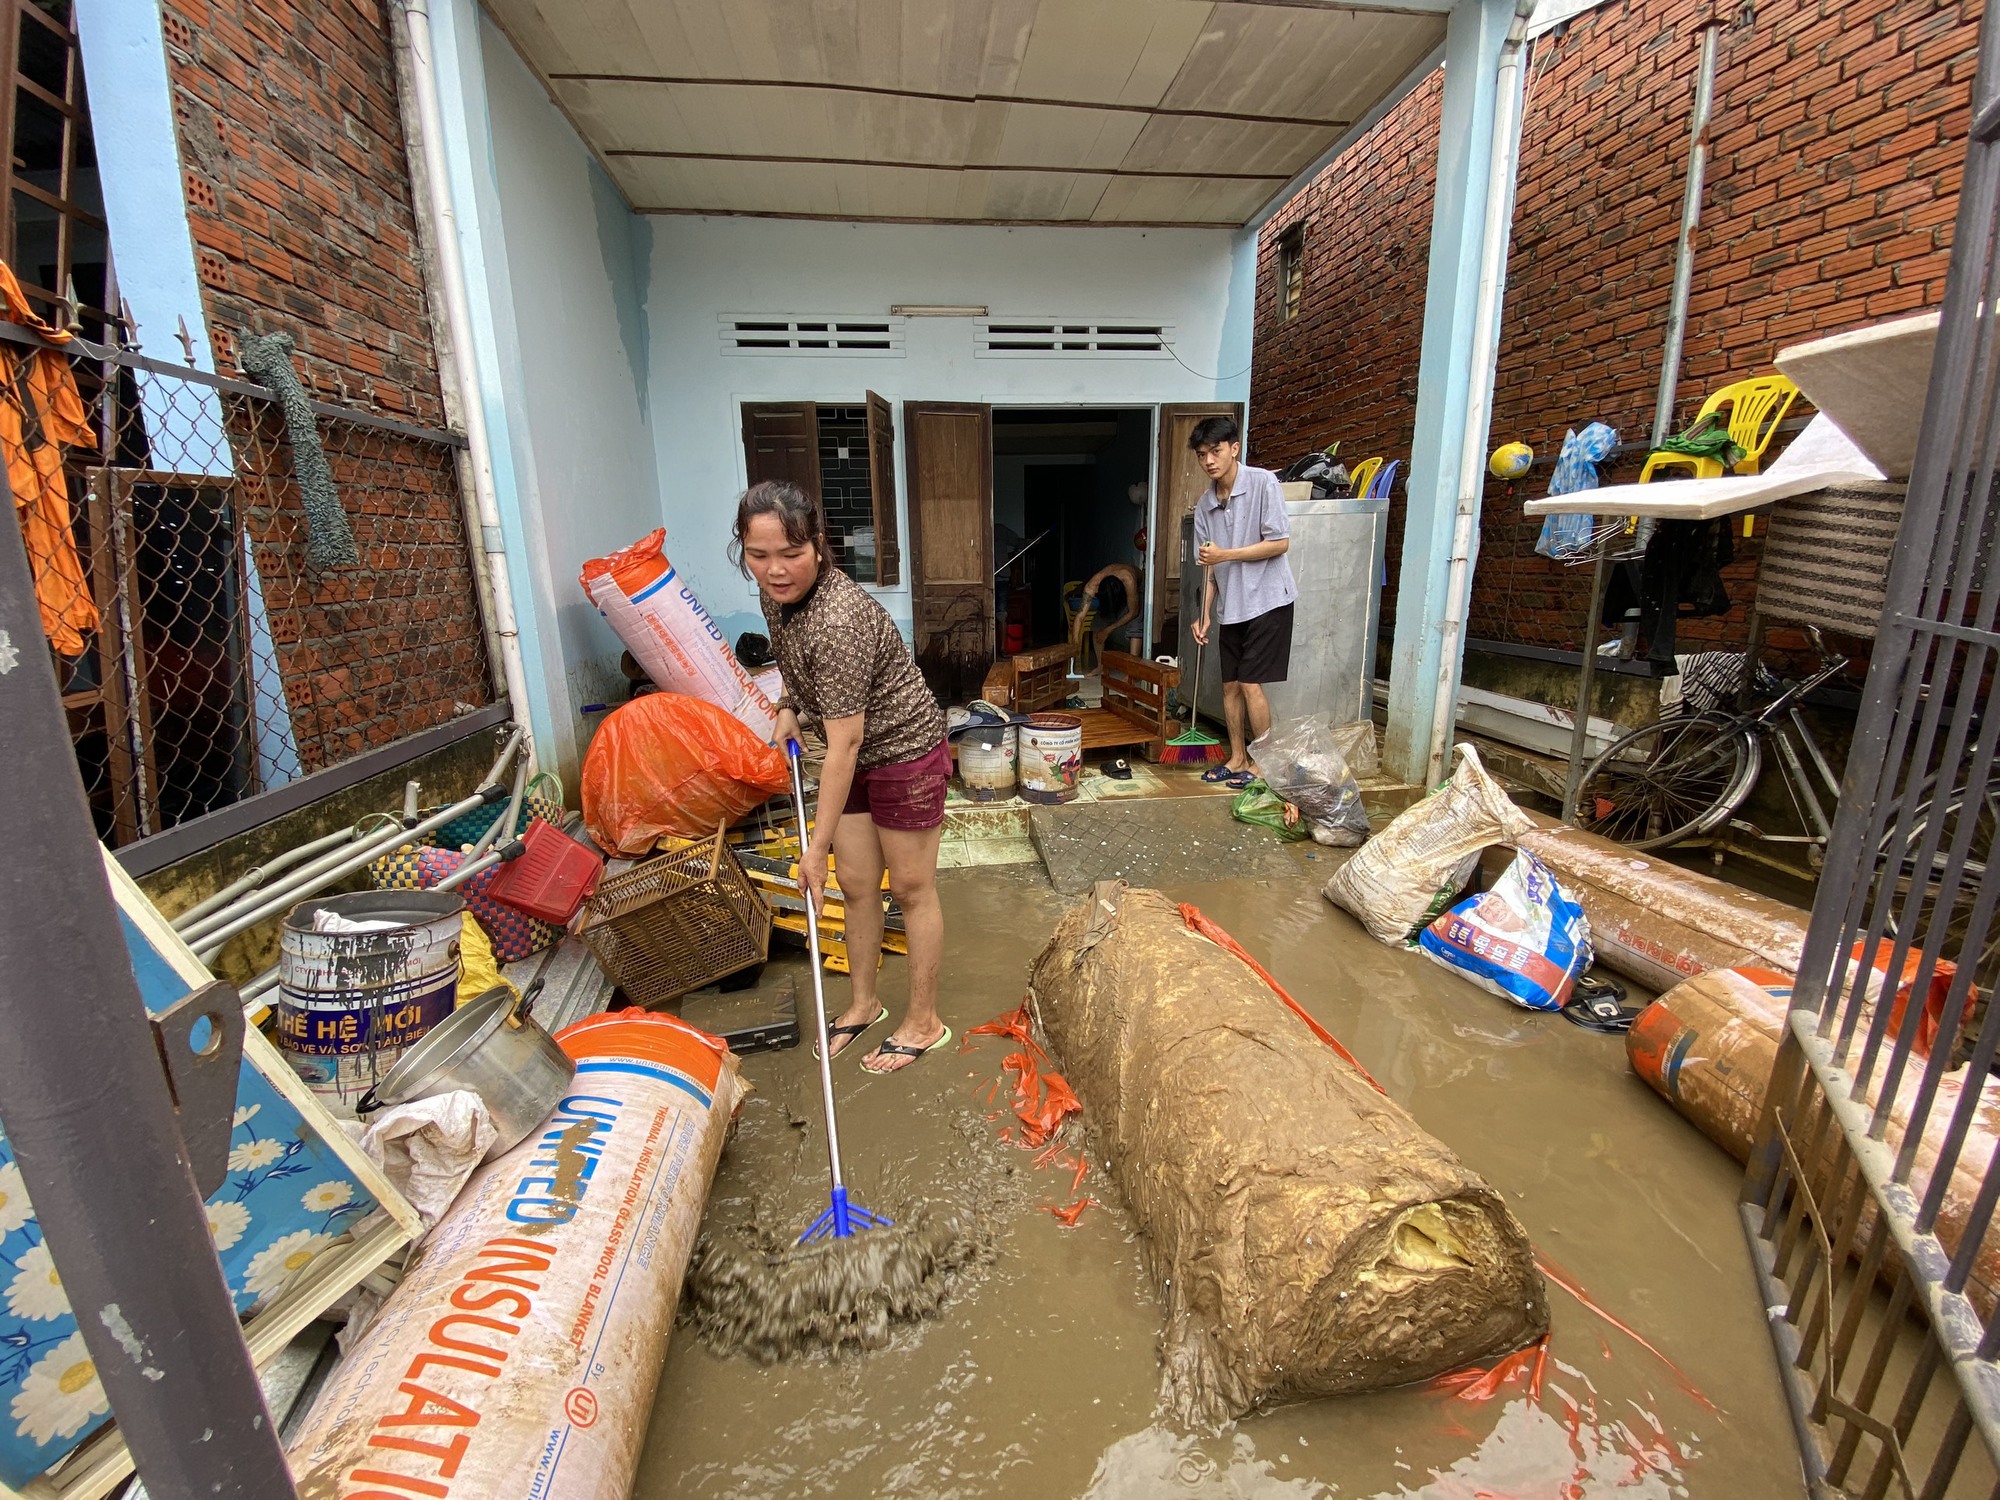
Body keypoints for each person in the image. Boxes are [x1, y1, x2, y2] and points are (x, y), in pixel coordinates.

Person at [734, 480, 954, 1074]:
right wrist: (788, 705)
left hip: (903, 751)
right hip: (850, 750)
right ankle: (864, 1005)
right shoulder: (778, 599)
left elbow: (846, 743)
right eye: (759, 555)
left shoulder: (838, 620)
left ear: (818, 544)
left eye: (791, 554)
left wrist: (816, 845)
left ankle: (924, 1021)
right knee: (856, 884)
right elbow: (795, 663)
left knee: (909, 888)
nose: (776, 571)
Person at [1189, 415, 1296, 787]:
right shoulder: (1205, 505)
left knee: (1250, 683)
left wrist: (1226, 554)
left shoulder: (1263, 483)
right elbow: (1208, 565)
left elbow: (1279, 543)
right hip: (1231, 606)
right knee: (1230, 686)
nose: (1209, 461)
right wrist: (1204, 615)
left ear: (1234, 449)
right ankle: (1237, 758)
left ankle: (1261, 763)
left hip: (1268, 601)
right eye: (1201, 455)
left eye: (1215, 451)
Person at [1071, 561, 1142, 664]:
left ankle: (1133, 668)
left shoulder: (1129, 580)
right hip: (1112, 595)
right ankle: (1101, 667)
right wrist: (1075, 643)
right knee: (1097, 625)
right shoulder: (1092, 585)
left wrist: (1108, 630)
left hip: (1136, 589)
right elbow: (1080, 616)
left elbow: (1133, 612)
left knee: (1135, 626)